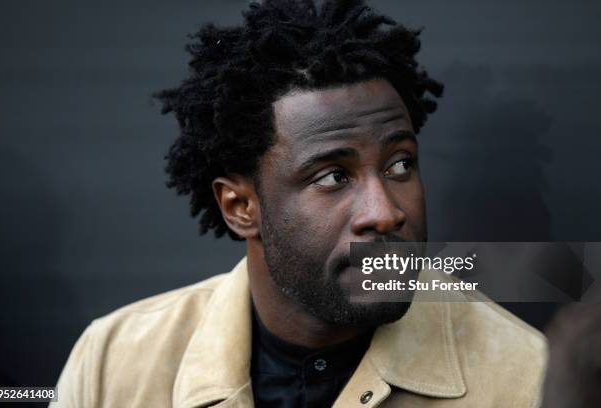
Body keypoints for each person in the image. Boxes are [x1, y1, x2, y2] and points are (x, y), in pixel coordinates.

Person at [52, 1, 546, 406]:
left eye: (399, 165)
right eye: (333, 176)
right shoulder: (113, 364)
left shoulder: (526, 376)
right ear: (240, 206)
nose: (385, 212)